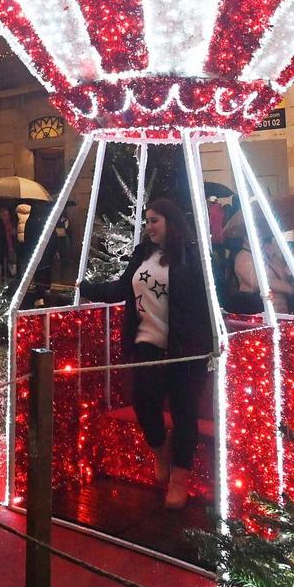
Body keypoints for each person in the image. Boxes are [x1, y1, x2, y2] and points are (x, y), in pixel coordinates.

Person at [79, 198, 212, 509]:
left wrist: (255, 301)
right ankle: (158, 445)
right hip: (146, 343)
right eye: (147, 220)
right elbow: (123, 288)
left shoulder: (190, 257)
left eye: (155, 220)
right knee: (142, 399)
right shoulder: (143, 253)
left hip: (184, 349)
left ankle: (178, 480)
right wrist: (85, 287)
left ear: (171, 221)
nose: (149, 226)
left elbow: (207, 298)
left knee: (184, 413)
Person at [232, 234, 294, 315]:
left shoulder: (269, 252)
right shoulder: (243, 257)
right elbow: (256, 282)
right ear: (246, 237)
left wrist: (288, 268)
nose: (258, 237)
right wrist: (286, 287)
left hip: (283, 308)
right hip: (261, 309)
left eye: (260, 234)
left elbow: (283, 274)